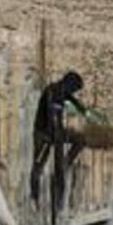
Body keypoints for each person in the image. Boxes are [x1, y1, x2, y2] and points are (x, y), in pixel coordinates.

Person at [29, 70, 88, 207]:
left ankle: (64, 166)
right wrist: (55, 137)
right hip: (43, 134)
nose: (74, 92)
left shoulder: (63, 90)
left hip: (57, 132)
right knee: (38, 166)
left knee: (80, 140)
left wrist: (84, 110)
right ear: (69, 84)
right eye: (74, 89)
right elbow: (52, 117)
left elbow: (73, 101)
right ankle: (34, 197)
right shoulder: (52, 92)